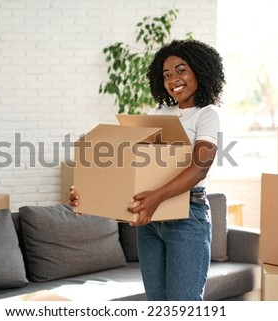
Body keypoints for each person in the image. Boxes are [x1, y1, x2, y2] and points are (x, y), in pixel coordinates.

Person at [70, 39, 225, 301]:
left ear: (200, 70)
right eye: (166, 74)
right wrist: (88, 193)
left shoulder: (207, 114)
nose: (173, 79)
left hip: (187, 215)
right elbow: (127, 163)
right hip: (150, 222)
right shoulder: (158, 112)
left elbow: (200, 167)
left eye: (181, 69)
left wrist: (157, 197)